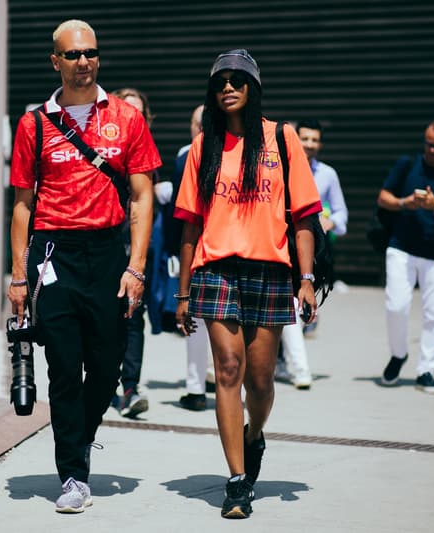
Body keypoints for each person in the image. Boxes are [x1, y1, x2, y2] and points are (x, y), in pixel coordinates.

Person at [7, 20, 160, 514]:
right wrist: (17, 275)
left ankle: (80, 434)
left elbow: (141, 198)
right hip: (54, 254)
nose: (83, 61)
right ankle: (73, 473)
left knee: (109, 365)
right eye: (72, 54)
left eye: (90, 52)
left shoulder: (126, 118)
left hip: (107, 252)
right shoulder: (33, 123)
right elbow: (23, 205)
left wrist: (136, 267)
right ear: (55, 61)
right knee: (64, 368)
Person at [174, 49, 321, 519]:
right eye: (221, 82)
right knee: (229, 369)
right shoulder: (204, 146)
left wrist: (307, 280)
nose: (228, 88)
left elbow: (303, 217)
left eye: (238, 80)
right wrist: (182, 292)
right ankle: (236, 481)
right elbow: (190, 225)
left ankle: (255, 433)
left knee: (260, 379)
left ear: (253, 87)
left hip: (271, 270)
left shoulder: (282, 138)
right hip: (216, 269)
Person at [377, 119, 434, 394]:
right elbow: (383, 197)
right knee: (396, 306)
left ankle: (426, 369)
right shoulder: (407, 164)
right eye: (428, 143)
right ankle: (399, 354)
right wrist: (406, 203)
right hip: (401, 247)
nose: (432, 150)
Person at [277, 119, 350, 389]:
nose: (309, 145)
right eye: (304, 139)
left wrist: (331, 223)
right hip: (282, 247)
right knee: (289, 308)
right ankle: (297, 367)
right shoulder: (279, 167)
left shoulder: (327, 175)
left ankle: (288, 363)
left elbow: (341, 212)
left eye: (314, 140)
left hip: (311, 251)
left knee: (297, 309)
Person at [110, 87, 154, 418]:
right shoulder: (104, 150)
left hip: (136, 247)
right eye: (128, 110)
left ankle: (130, 386)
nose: (133, 118)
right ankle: (103, 380)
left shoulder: (148, 156)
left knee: (133, 316)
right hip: (104, 243)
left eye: (139, 113)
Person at [166, 104, 214, 411]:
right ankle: (240, 392)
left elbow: (178, 211)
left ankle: (196, 389)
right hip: (230, 248)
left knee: (195, 323)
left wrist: (174, 251)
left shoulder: (187, 155)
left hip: (196, 249)